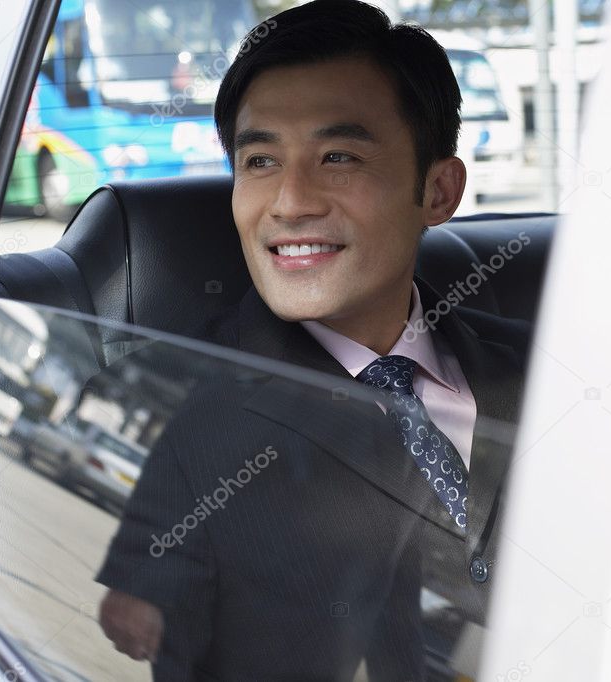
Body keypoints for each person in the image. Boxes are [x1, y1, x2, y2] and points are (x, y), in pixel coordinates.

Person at [96, 1, 528, 679]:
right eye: (260, 160)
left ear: (438, 190)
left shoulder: (553, 373)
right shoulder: (176, 405)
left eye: (338, 156)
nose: (291, 200)